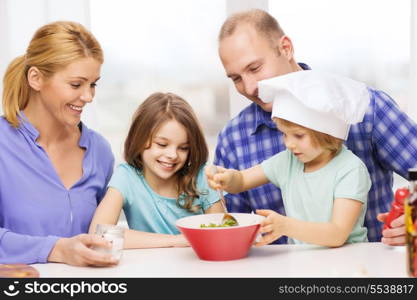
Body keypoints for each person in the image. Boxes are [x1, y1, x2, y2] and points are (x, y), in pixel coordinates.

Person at [214, 9, 417, 245]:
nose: (249, 88)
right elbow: (229, 226)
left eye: (255, 68)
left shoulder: (366, 109)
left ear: (286, 48)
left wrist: (413, 220)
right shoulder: (234, 138)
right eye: (236, 78)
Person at [208, 70, 372, 246]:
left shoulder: (350, 170)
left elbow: (337, 234)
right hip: (302, 262)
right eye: (284, 135)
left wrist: (285, 226)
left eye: (298, 136)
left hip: (347, 262)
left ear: (327, 133)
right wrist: (228, 178)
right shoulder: (288, 162)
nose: (289, 144)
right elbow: (242, 181)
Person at [0, 21, 116, 266]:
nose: (88, 97)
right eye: (76, 84)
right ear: (36, 78)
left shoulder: (100, 151)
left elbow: (105, 234)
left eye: (93, 84)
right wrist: (56, 249)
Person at [89, 92, 224, 248]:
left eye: (183, 148)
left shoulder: (201, 177)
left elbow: (221, 234)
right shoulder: (127, 177)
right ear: (138, 138)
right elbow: (98, 234)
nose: (173, 155)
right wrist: (176, 241)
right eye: (162, 144)